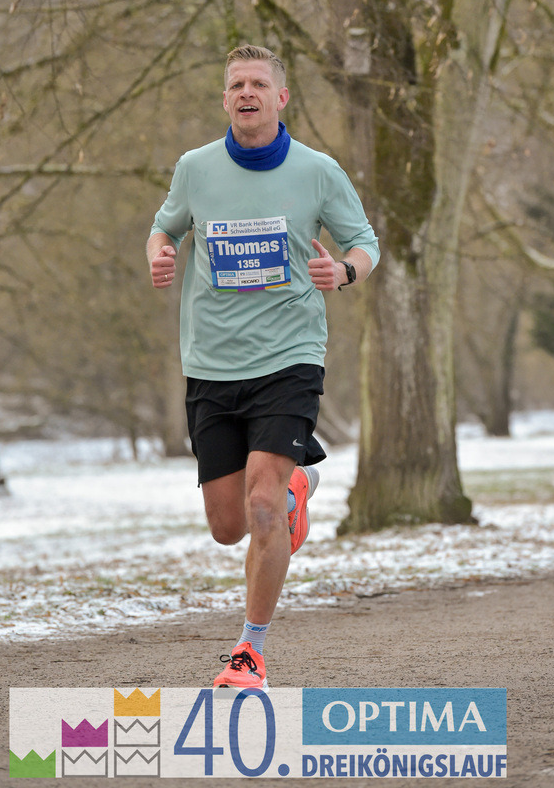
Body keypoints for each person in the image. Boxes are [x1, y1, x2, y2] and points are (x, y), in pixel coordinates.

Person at [147, 44, 379, 689]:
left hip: (289, 359)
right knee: (227, 527)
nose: (246, 93)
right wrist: (160, 254)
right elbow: (163, 228)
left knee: (260, 505)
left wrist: (344, 271)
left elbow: (365, 243)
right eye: (235, 84)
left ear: (281, 98)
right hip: (212, 365)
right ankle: (296, 490)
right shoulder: (195, 169)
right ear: (225, 99)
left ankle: (249, 653)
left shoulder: (317, 171)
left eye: (258, 84)